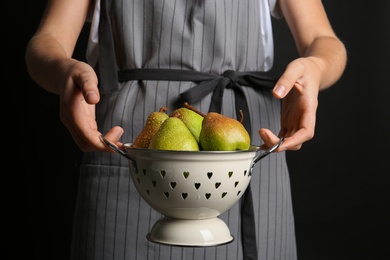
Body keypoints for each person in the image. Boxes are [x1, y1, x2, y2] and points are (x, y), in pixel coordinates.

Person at [25, 0, 347, 259]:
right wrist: (62, 69)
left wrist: (316, 67)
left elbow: (325, 41)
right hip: (132, 154)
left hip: (247, 157)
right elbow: (47, 41)